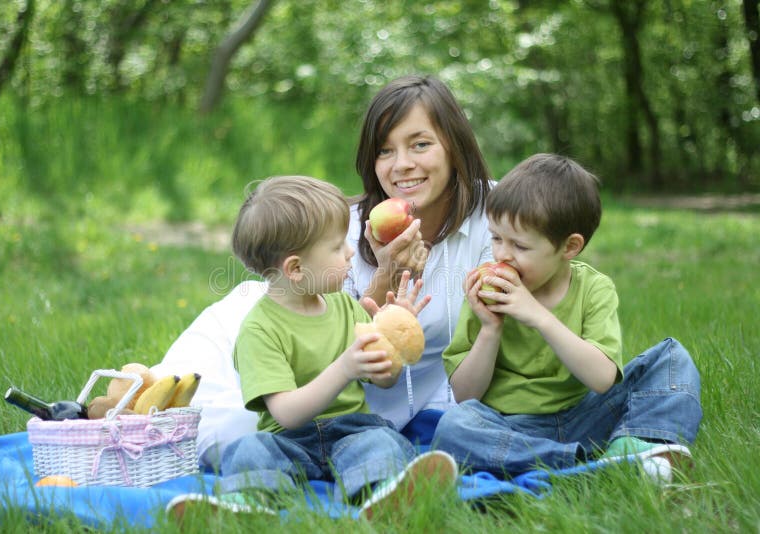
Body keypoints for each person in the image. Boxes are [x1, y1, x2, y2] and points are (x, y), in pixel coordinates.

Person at [168, 175, 458, 518]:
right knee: (249, 451)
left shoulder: (346, 306)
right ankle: (249, 506)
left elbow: (383, 379)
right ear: (295, 268)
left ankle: (383, 497)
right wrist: (345, 367)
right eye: (337, 247)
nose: (351, 252)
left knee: (381, 442)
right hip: (290, 441)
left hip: (353, 430)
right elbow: (287, 414)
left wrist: (392, 339)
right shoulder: (259, 329)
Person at [432, 153, 703, 481]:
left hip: (585, 416)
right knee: (453, 427)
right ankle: (586, 464)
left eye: (520, 245)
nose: (502, 254)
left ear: (569, 247)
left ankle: (633, 444)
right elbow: (465, 395)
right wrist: (490, 329)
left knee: (672, 359)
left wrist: (538, 316)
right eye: (496, 238)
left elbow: (602, 379)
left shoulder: (594, 289)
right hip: (510, 425)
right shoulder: (486, 293)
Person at [345, 74, 493, 431]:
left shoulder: (497, 211)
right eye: (385, 150)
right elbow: (334, 362)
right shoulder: (345, 231)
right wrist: (385, 276)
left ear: (453, 146)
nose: (401, 165)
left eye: (420, 144)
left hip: (468, 411)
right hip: (366, 422)